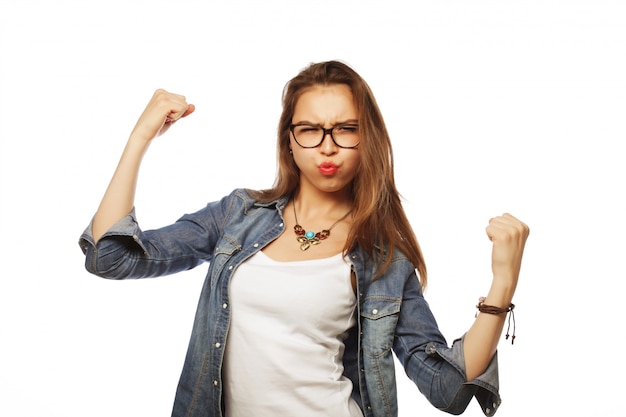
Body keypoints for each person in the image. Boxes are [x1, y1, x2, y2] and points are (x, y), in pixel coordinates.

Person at [79, 60, 529, 417]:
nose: (327, 146)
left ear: (366, 139)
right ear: (289, 141)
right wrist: (141, 137)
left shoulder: (382, 259)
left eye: (346, 129)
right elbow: (112, 258)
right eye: (310, 130)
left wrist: (502, 284)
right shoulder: (238, 215)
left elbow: (446, 388)